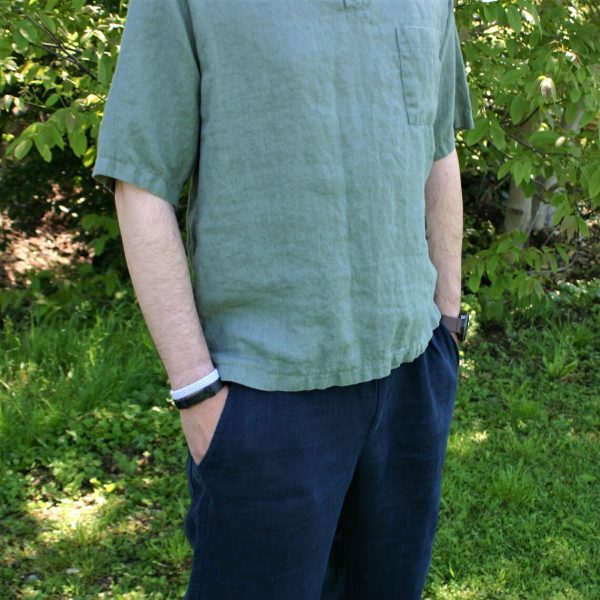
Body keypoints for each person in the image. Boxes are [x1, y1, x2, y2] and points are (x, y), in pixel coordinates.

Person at [92, 0, 474, 597]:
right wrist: (196, 392)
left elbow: (438, 147)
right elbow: (141, 180)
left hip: (411, 379)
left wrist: (447, 324)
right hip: (265, 396)